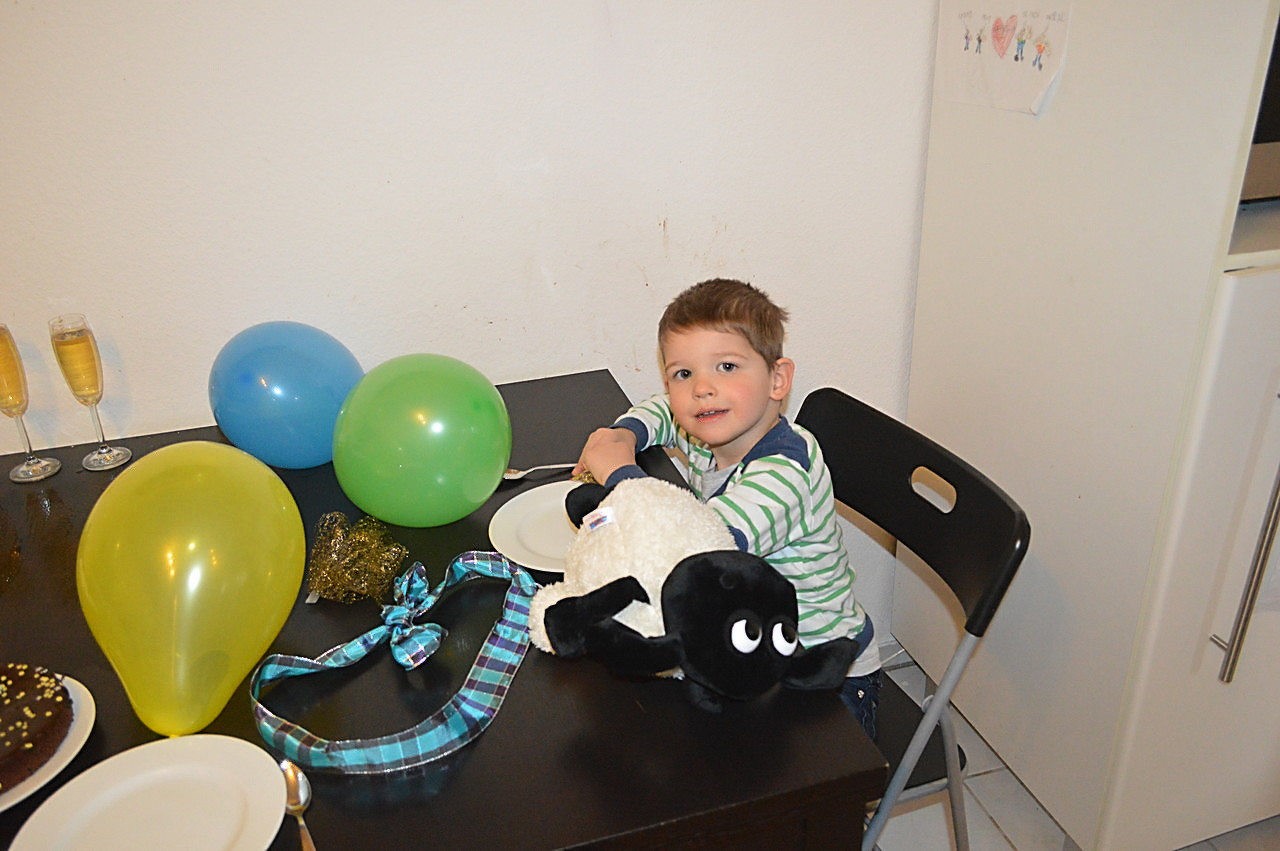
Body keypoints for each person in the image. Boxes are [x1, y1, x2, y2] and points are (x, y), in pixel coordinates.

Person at [574, 278, 882, 736]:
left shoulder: (785, 473)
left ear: (777, 379)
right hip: (744, 633)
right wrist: (625, 433)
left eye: (727, 366)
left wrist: (620, 474)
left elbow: (696, 545)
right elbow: (662, 410)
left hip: (815, 669)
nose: (703, 389)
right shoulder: (711, 428)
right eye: (683, 374)